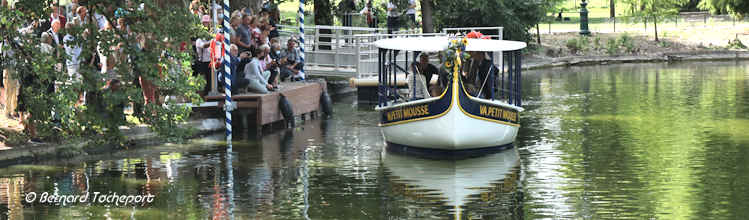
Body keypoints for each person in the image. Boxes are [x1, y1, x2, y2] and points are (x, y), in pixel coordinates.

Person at [195, 15, 213, 96]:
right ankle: (203, 96)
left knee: (210, 81)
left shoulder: (210, 36)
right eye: (204, 23)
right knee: (203, 81)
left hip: (210, 61)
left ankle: (208, 93)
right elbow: (204, 45)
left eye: (207, 23)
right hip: (202, 63)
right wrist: (213, 41)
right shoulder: (199, 39)